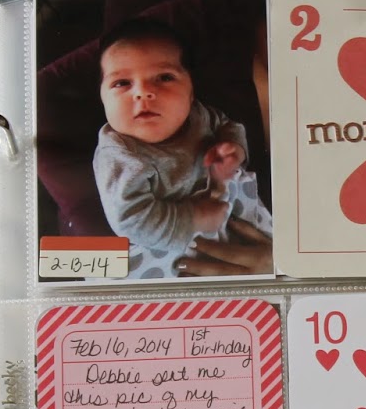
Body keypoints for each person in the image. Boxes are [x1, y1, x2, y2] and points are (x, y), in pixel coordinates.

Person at [92, 16, 274, 279]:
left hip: (228, 204)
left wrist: (234, 148)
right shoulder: (120, 154)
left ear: (191, 92)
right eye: (122, 83)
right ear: (102, 98)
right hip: (166, 235)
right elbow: (130, 218)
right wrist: (193, 219)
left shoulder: (199, 115)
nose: (143, 92)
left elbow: (227, 125)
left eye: (164, 77)